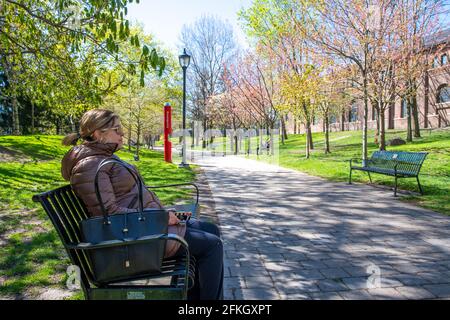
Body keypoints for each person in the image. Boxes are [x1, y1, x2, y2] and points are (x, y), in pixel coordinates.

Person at [61, 109, 223, 300]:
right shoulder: (90, 165)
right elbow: (110, 215)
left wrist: (164, 214)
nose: (122, 133)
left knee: (210, 229)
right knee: (212, 246)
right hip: (130, 242)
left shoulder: (102, 158)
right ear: (98, 133)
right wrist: (161, 218)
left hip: (141, 228)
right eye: (117, 129)